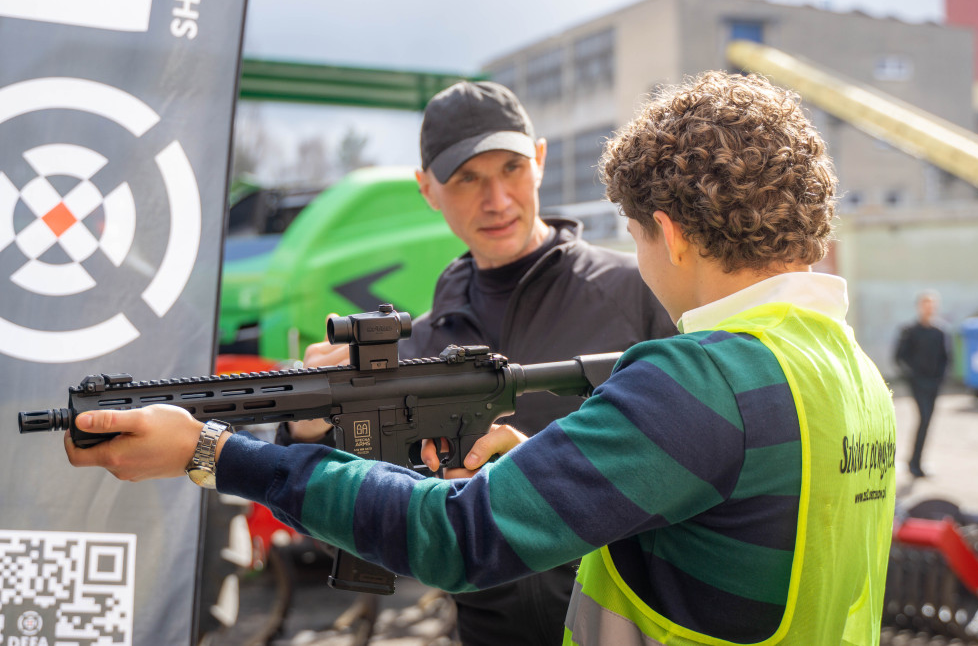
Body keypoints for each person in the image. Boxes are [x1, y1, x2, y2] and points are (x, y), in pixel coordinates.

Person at [66, 71, 897, 645]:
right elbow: (716, 504)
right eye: (467, 179)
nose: (497, 198)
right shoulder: (848, 370)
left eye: (638, 233)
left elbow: (456, 536)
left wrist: (210, 451)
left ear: (668, 234)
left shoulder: (700, 381)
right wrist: (542, 462)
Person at [281, 79, 677, 645]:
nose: (496, 200)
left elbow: (700, 469)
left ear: (539, 161)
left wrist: (537, 473)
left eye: (510, 168)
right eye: (466, 178)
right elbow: (351, 528)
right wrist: (305, 427)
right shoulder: (415, 350)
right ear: (427, 190)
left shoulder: (643, 293)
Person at [894, 290, 950, 478]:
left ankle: (916, 461)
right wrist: (913, 377)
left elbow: (946, 358)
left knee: (927, 422)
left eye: (932, 304)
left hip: (933, 384)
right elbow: (899, 357)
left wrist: (939, 379)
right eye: (925, 304)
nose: (929, 308)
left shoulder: (939, 332)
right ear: (919, 307)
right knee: (924, 418)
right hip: (918, 384)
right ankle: (914, 462)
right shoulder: (910, 331)